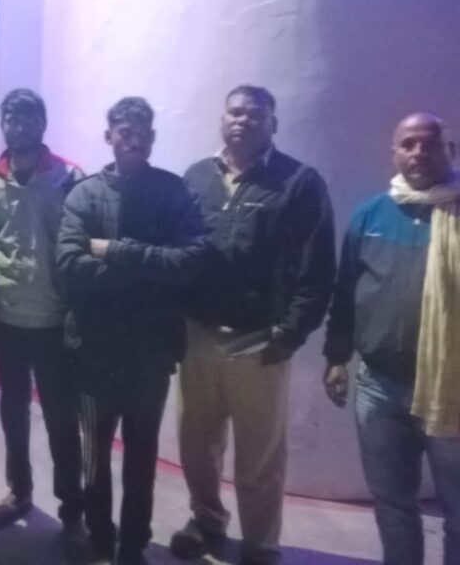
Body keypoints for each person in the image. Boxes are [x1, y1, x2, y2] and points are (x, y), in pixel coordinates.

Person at [172, 85, 336, 565]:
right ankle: (207, 520)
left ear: (273, 124)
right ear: (222, 118)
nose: (243, 121)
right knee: (196, 444)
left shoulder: (299, 183)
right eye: (235, 112)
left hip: (261, 342)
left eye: (255, 115)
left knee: (259, 457)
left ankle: (261, 544)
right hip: (197, 336)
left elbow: (317, 269)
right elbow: (177, 252)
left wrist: (289, 334)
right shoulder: (196, 177)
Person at [57, 97, 207, 565]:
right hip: (93, 351)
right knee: (94, 459)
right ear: (110, 136)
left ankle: (133, 547)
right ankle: (100, 538)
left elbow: (190, 263)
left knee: (142, 458)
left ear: (153, 138)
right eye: (125, 131)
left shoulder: (173, 193)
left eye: (143, 132)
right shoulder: (84, 195)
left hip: (151, 353)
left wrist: (116, 252)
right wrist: (149, 268)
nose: (134, 139)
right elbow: (69, 265)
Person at [324, 112, 460, 565]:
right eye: (408, 144)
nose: (419, 152)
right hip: (379, 388)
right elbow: (346, 291)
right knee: (393, 505)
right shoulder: (372, 215)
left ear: (450, 151)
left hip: (452, 392)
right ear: (394, 153)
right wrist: (337, 357)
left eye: (429, 143)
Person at [0, 88, 88, 558]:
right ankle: (19, 490)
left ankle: (73, 512)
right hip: (7, 314)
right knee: (13, 409)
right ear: (2, 123)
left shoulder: (69, 177)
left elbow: (83, 246)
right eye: (11, 117)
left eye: (28, 117)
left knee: (61, 417)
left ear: (43, 123)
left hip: (53, 317)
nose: (19, 125)